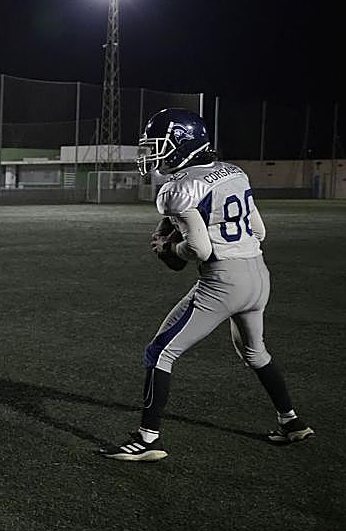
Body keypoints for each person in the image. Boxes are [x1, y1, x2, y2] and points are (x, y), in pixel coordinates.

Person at [100, 108, 313, 461]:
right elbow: (260, 231)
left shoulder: (178, 189)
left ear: (182, 144)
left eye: (159, 146)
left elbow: (199, 249)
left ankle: (147, 440)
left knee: (159, 352)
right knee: (255, 353)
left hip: (223, 280)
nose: (154, 154)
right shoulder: (234, 173)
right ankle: (290, 422)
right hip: (259, 276)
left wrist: (170, 247)